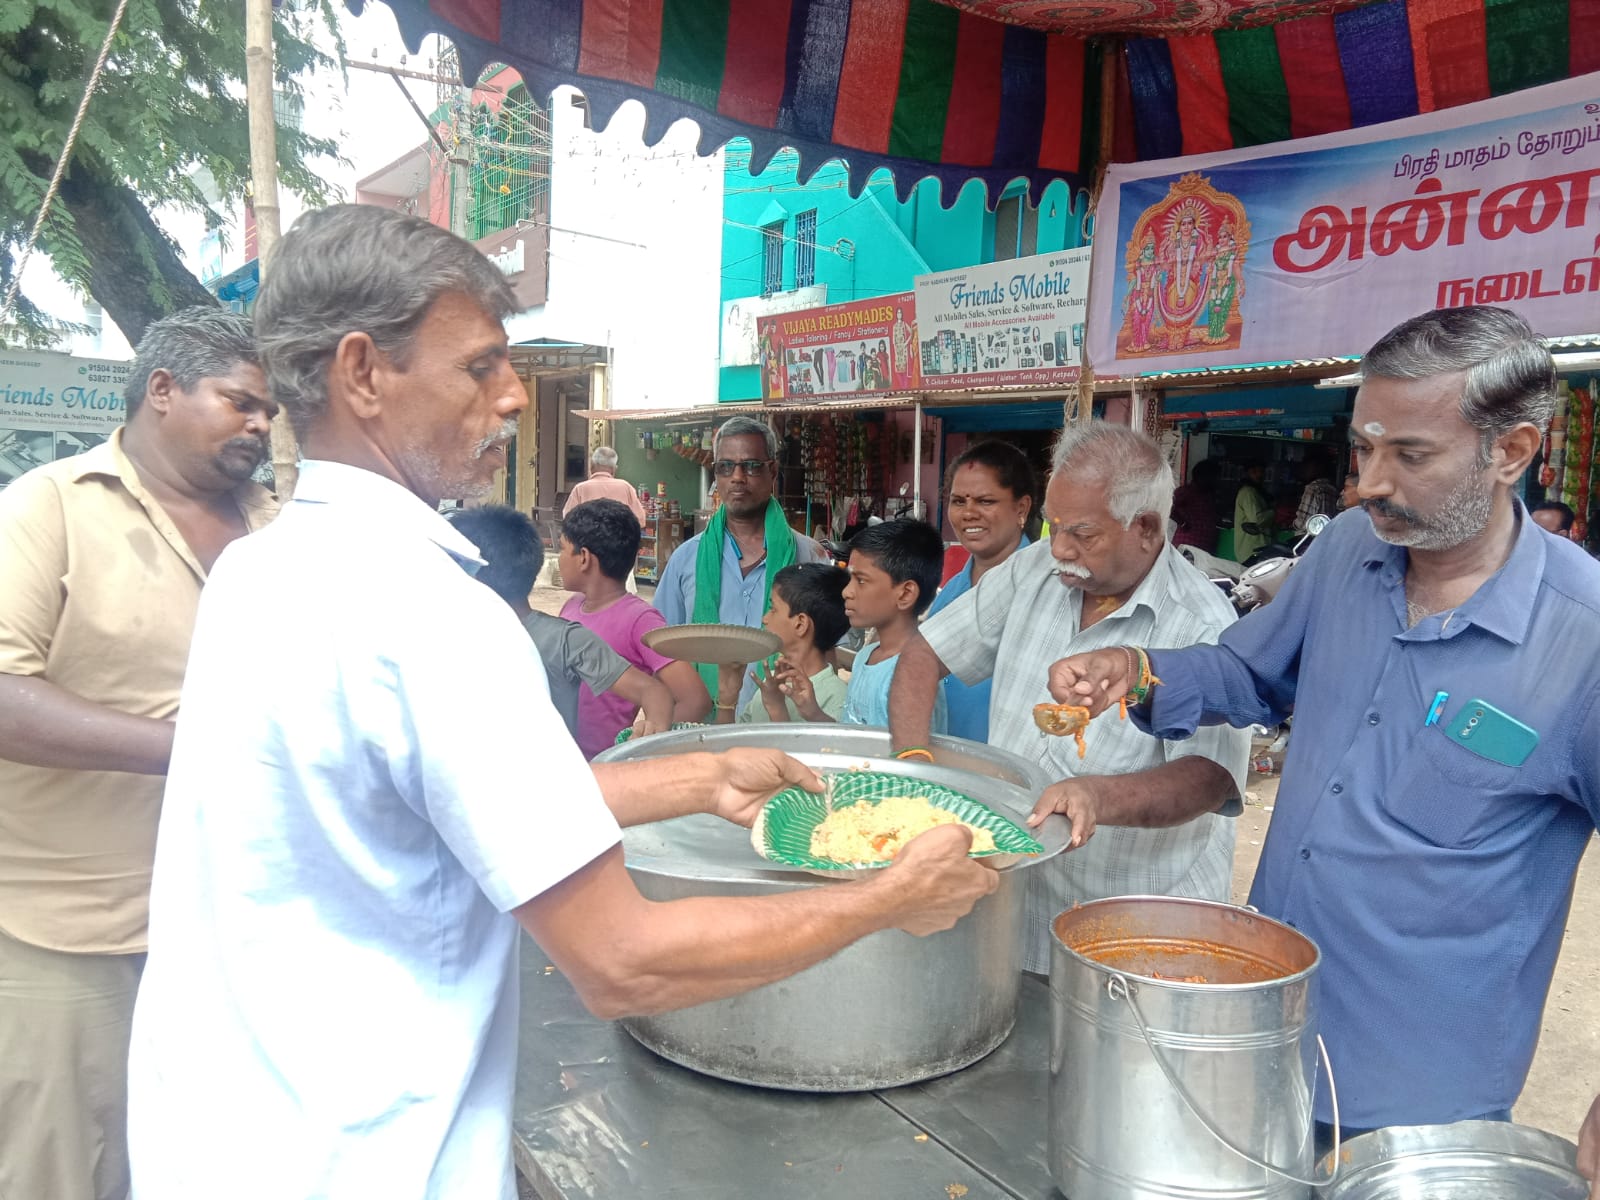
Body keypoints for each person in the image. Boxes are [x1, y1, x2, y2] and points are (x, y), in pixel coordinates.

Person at [125, 204, 998, 1200]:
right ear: (361, 372)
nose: (510, 398)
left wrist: (698, 778)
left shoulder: (262, 569)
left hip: (215, 1141)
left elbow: (431, 798)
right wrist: (888, 899)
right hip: (365, 1160)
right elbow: (623, 963)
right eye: (479, 367)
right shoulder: (434, 615)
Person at [1040, 307, 1600, 1150]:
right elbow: (1251, 674)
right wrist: (1145, 670)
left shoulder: (1583, 637)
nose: (1370, 481)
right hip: (1263, 1024)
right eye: (1365, 447)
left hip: (1420, 1090)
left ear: (1510, 453)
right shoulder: (1345, 550)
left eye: (1410, 455)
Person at [0, 306, 277, 1200]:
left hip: (241, 929)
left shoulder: (281, 531)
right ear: (162, 390)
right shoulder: (49, 508)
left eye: (270, 411)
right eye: (241, 402)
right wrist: (199, 748)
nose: (262, 425)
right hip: (71, 933)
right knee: (66, 1169)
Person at [888, 421, 1249, 974]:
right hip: (1013, 904)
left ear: (1147, 528)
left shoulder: (1202, 624)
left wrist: (1094, 796)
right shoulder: (1035, 570)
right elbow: (924, 655)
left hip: (1129, 933)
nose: (1059, 549)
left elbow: (1210, 779)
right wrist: (914, 764)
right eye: (1054, 527)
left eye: (1082, 534)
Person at [446, 504, 675, 744]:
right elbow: (653, 691)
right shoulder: (567, 628)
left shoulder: (567, 639)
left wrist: (647, 737)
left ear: (472, 574)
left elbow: (654, 691)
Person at [655, 416, 830, 704]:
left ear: (772, 471)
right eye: (725, 467)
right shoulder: (687, 559)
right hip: (705, 730)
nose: (737, 477)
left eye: (750, 466)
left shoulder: (809, 557)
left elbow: (829, 652)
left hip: (783, 725)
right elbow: (662, 653)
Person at [558, 498, 709, 757]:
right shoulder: (571, 608)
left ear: (583, 558)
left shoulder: (640, 620)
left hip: (605, 765)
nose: (559, 558)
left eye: (562, 549)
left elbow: (695, 700)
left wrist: (642, 743)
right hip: (564, 758)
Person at [926, 442, 1036, 741]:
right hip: (942, 762)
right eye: (959, 501)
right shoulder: (950, 590)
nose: (968, 513)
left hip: (1006, 771)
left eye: (986, 501)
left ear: (1021, 508)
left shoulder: (1043, 593)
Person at [828, 519, 948, 731]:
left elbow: (913, 759)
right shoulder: (865, 658)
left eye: (861, 580)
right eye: (850, 580)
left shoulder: (914, 677)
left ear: (905, 594)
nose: (847, 591)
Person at [713, 563, 849, 724]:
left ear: (800, 624)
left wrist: (776, 708)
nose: (765, 619)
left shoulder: (836, 696)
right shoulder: (770, 685)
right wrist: (727, 699)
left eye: (773, 609)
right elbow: (730, 747)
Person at [563, 445, 645, 524]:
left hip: (588, 537)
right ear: (614, 469)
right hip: (619, 537)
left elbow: (567, 518)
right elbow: (640, 520)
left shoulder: (580, 489)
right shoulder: (626, 487)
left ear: (591, 466)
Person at [1170, 457, 1220, 553]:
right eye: (1214, 477)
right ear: (1202, 477)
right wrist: (1183, 523)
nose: (1216, 480)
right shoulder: (1186, 491)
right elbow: (1169, 505)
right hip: (1188, 545)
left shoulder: (1208, 495)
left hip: (1205, 548)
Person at [1232, 461, 1273, 561]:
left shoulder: (1256, 491)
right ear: (1246, 474)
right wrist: (1275, 512)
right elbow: (1256, 520)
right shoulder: (1248, 492)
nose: (1259, 475)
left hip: (1256, 549)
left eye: (1261, 471)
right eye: (1254, 472)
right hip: (1252, 551)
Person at [1293, 451, 1339, 532]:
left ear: (1318, 468)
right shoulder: (1332, 488)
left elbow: (1302, 524)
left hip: (1310, 538)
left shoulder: (1313, 488)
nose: (1305, 470)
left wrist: (1293, 524)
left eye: (1308, 467)